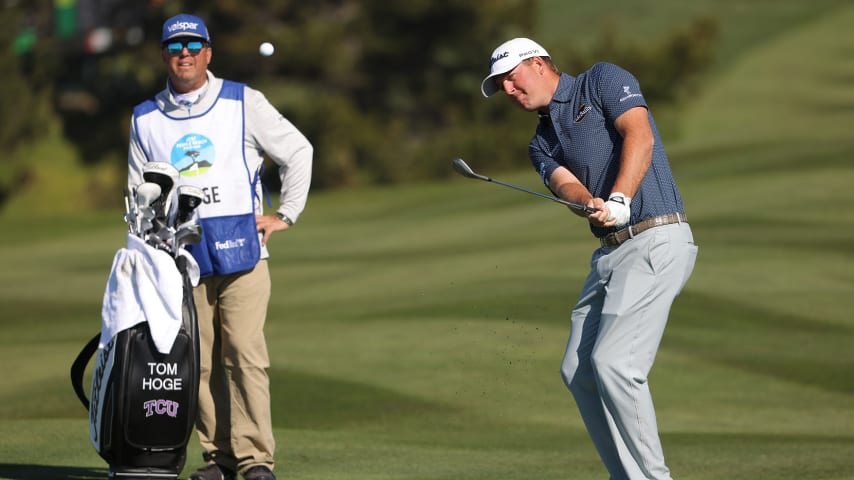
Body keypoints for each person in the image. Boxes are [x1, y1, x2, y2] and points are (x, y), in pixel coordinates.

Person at [480, 37, 698, 480]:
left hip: (655, 236)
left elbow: (640, 132)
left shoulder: (601, 80)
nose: (508, 89)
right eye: (501, 84)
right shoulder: (540, 143)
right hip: (611, 255)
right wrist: (587, 201)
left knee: (616, 364)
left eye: (511, 77)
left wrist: (620, 196)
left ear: (538, 63)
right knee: (578, 369)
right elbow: (565, 185)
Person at [127, 13, 313, 480]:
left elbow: (298, 151)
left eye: (193, 45)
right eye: (175, 47)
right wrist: (146, 253)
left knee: (245, 354)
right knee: (200, 364)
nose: (184, 53)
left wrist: (285, 213)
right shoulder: (146, 117)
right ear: (165, 55)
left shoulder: (243, 100)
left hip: (243, 253)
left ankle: (255, 460)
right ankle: (220, 458)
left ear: (208, 52)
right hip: (181, 259)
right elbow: (138, 195)